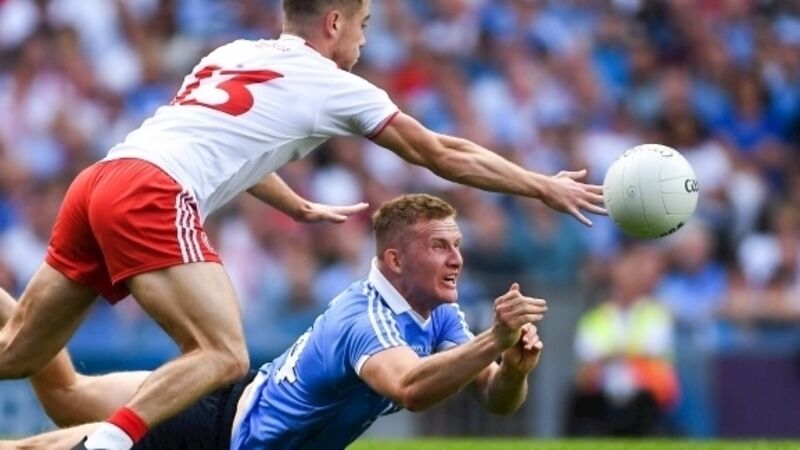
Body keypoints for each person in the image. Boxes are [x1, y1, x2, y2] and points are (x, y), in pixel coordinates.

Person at [0, 1, 603, 448]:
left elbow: (223, 139)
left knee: (20, 353)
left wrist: (292, 204)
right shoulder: (333, 84)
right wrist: (540, 185)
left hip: (104, 176)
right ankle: (111, 443)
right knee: (222, 354)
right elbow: (440, 151)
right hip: (153, 191)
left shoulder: (231, 53)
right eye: (363, 25)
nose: (363, 41)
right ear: (335, 23)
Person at [0, 194, 547, 450]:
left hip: (231, 395)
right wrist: (491, 340)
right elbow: (410, 388)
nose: (457, 259)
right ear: (395, 261)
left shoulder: (439, 314)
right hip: (210, 436)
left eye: (457, 245)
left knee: (66, 395)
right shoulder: (366, 318)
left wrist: (513, 369)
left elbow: (495, 399)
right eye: (439, 246)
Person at [565, 245, 678, 436]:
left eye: (634, 270)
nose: (630, 276)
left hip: (644, 398)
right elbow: (586, 368)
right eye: (625, 268)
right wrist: (627, 353)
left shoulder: (656, 314)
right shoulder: (593, 319)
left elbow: (654, 354)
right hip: (603, 398)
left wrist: (608, 355)